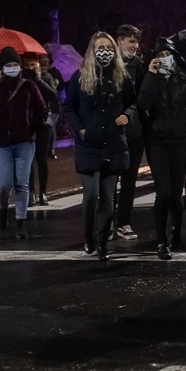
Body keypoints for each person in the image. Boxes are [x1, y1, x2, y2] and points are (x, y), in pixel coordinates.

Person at [62, 32, 136, 260]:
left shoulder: (121, 77)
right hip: (89, 145)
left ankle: (103, 241)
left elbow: (133, 102)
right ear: (92, 50)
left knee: (108, 197)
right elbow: (68, 108)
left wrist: (127, 115)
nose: (105, 51)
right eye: (100, 47)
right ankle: (88, 237)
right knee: (91, 195)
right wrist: (81, 130)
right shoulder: (80, 77)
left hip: (113, 143)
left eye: (108, 47)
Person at [137, 38, 186, 260]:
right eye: (159, 55)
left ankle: (176, 230)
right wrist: (150, 76)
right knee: (163, 192)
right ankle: (161, 241)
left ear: (175, 57)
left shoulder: (185, 79)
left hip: (180, 139)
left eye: (167, 54)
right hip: (156, 139)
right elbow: (142, 106)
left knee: (176, 194)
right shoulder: (149, 78)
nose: (163, 59)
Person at [0, 47, 47, 240]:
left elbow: (42, 109)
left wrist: (31, 127)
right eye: (8, 65)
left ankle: (21, 222)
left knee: (22, 183)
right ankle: (3, 208)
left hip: (25, 143)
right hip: (0, 143)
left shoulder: (28, 86)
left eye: (15, 65)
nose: (13, 68)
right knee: (4, 184)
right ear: (2, 68)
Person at [111, 24, 145, 240]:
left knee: (129, 180)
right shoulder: (106, 64)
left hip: (133, 131)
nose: (135, 45)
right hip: (111, 131)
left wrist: (130, 115)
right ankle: (106, 224)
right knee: (109, 180)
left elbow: (142, 98)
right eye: (131, 41)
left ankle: (124, 223)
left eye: (137, 41)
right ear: (119, 40)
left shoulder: (141, 66)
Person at [22, 51, 62, 207]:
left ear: (38, 64)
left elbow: (53, 95)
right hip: (26, 123)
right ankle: (30, 192)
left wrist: (38, 79)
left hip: (43, 122)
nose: (31, 68)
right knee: (29, 160)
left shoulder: (45, 76)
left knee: (42, 159)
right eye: (27, 65)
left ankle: (43, 193)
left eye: (33, 64)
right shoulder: (21, 79)